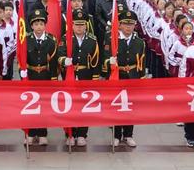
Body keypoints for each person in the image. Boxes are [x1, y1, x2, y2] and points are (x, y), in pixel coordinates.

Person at [103, 10, 145, 147]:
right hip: (117, 75)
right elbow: (104, 56)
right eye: (125, 24)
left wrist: (141, 79)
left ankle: (128, 134)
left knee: (130, 106)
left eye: (131, 24)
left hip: (132, 77)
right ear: (119, 25)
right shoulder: (111, 38)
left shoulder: (139, 42)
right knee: (117, 106)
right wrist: (109, 62)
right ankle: (116, 135)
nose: (128, 27)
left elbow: (142, 63)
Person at [58, 9, 100, 146]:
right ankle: (69, 133)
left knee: (83, 106)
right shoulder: (66, 38)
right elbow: (60, 54)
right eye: (77, 24)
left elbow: (96, 61)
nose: (79, 27)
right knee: (69, 105)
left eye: (82, 24)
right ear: (72, 25)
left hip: (85, 76)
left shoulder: (92, 40)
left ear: (86, 25)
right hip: (69, 76)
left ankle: (82, 133)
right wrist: (64, 61)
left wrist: (94, 80)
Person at [23, 9, 58, 146]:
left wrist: (54, 79)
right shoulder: (26, 40)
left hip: (45, 76)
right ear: (31, 26)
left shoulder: (51, 41)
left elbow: (54, 62)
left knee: (43, 106)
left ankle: (43, 133)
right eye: (35, 24)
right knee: (30, 106)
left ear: (45, 25)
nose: (38, 27)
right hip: (31, 75)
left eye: (41, 24)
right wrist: (23, 72)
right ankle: (30, 133)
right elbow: (22, 58)